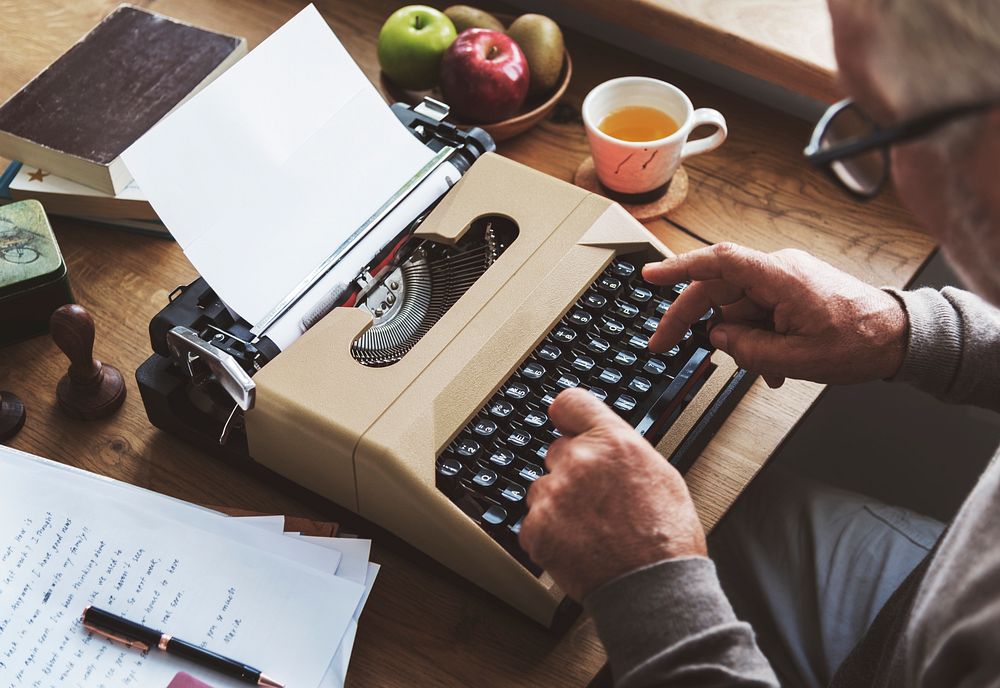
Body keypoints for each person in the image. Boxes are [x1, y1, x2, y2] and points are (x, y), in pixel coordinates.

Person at [517, 0, 1000, 685]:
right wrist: (905, 329)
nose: (899, 181)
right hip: (934, 584)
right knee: (745, 508)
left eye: (884, 125)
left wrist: (654, 587)